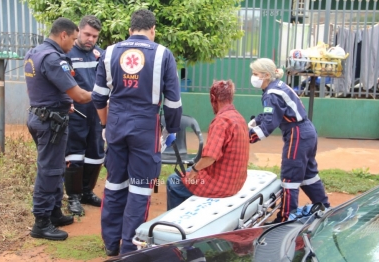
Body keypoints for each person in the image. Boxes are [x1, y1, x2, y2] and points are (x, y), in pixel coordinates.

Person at [92, 9, 182, 255]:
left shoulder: (109, 52)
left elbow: (98, 97)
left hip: (116, 123)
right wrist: (172, 129)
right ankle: (130, 249)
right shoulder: (163, 54)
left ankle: (111, 245)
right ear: (152, 30)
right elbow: (173, 102)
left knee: (114, 184)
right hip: (145, 126)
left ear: (130, 30)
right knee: (141, 187)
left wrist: (104, 125)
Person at [24, 17, 92, 240]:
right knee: (49, 170)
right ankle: (41, 223)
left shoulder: (35, 52)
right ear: (63, 35)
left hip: (41, 116)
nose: (73, 44)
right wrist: (104, 97)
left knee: (55, 167)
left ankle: (53, 213)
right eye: (73, 39)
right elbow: (80, 95)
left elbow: (43, 88)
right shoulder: (53, 59)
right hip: (50, 123)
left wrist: (62, 103)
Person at [247, 58, 330, 224]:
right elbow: (274, 113)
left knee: (290, 177)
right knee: (308, 175)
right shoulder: (277, 86)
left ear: (266, 75)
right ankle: (324, 207)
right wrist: (257, 120)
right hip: (307, 131)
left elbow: (269, 125)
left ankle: (285, 219)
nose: (253, 77)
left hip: (297, 134)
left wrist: (247, 137)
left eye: (255, 74)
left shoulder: (271, 94)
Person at [166, 80, 250, 210]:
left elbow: (210, 157)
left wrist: (194, 170)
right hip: (236, 182)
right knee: (185, 174)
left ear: (213, 98)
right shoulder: (239, 118)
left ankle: (174, 222)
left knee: (174, 181)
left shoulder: (221, 121)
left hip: (219, 185)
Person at [64, 15, 104, 216]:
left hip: (97, 114)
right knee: (74, 155)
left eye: (95, 36)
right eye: (87, 34)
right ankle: (74, 197)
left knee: (96, 155)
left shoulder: (100, 55)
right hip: (76, 114)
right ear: (78, 31)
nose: (90, 39)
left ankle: (88, 192)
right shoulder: (67, 53)